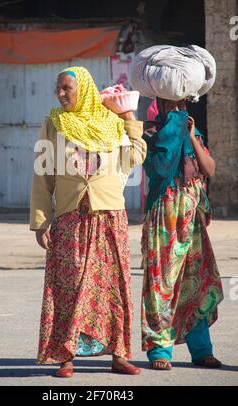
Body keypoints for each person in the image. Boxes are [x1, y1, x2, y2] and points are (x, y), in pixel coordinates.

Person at [30, 66, 147, 378]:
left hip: (110, 216)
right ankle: (65, 356)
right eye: (58, 88)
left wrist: (129, 120)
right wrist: (41, 221)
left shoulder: (112, 121)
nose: (60, 94)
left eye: (67, 88)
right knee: (67, 286)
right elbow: (43, 176)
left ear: (83, 89)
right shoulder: (54, 124)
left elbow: (135, 157)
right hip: (71, 218)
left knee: (114, 287)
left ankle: (119, 354)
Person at [141, 98, 223, 370]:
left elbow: (209, 169)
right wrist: (174, 127)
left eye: (180, 104)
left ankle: (202, 350)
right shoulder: (152, 133)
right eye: (171, 104)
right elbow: (162, 167)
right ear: (161, 104)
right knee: (161, 284)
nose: (177, 109)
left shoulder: (191, 131)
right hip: (164, 218)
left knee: (196, 284)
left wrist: (191, 136)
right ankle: (159, 351)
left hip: (192, 221)